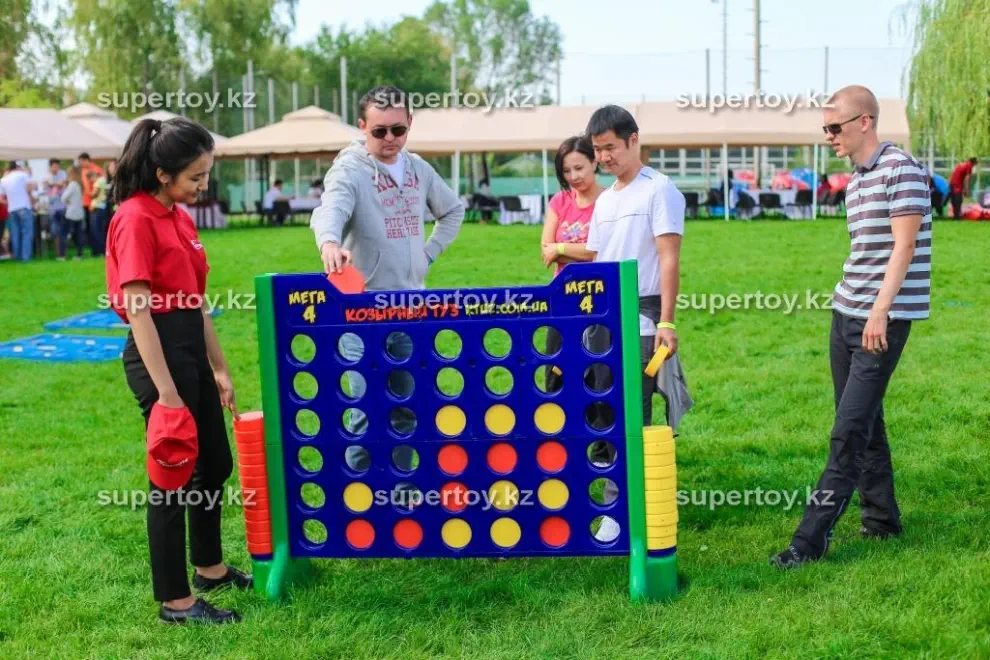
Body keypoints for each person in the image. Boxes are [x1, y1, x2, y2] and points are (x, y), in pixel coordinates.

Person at [771, 85, 931, 569]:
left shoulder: (901, 170)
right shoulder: (857, 182)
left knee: (847, 431)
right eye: (824, 128)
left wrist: (880, 311)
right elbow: (865, 253)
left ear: (865, 121)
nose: (829, 136)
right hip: (845, 314)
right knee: (864, 421)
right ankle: (882, 521)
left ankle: (808, 541)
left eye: (834, 127)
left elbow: (904, 247)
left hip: (881, 319)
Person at [105, 117, 251, 623]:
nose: (203, 184)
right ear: (163, 173)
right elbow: (139, 311)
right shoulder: (135, 218)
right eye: (195, 176)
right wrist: (167, 393)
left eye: (206, 174)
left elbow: (196, 301)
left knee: (215, 463)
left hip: (189, 347)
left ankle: (209, 567)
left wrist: (220, 369)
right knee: (173, 477)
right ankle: (176, 600)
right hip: (158, 355)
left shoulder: (179, 217)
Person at [311, 84, 464, 440]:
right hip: (362, 310)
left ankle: (405, 476)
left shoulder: (418, 168)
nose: (391, 138)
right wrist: (329, 242)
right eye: (380, 131)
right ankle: (359, 476)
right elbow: (330, 209)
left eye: (399, 129)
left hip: (411, 306)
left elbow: (453, 210)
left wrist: (428, 254)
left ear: (410, 122)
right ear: (362, 126)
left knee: (408, 410)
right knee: (364, 413)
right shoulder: (348, 170)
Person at [583, 105, 685, 426]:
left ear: (634, 140)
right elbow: (597, 260)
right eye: (597, 149)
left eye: (610, 147)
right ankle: (606, 458)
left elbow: (669, 258)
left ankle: (635, 462)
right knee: (601, 401)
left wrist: (666, 322)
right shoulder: (604, 199)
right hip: (603, 316)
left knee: (634, 404)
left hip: (642, 318)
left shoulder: (659, 188)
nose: (603, 156)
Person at [541, 136, 601, 276]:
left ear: (594, 163)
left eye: (578, 168)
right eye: (566, 171)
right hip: (563, 284)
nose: (573, 177)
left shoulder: (609, 200)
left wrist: (560, 249)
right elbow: (547, 250)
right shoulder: (559, 201)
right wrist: (585, 253)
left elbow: (603, 251)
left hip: (600, 283)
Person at [0, 160, 38, 262]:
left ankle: (17, 256)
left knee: (15, 233)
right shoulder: (23, 175)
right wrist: (33, 202)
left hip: (11, 209)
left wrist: (9, 202)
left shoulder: (3, 179)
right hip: (24, 207)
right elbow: (29, 189)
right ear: (18, 167)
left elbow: (1, 198)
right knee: (26, 233)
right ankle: (25, 257)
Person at [78, 152, 105, 255]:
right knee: (90, 228)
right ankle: (94, 249)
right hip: (86, 202)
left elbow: (99, 187)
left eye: (82, 161)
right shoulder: (83, 170)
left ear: (87, 160)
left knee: (96, 228)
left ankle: (99, 250)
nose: (81, 164)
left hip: (95, 203)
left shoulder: (97, 170)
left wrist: (91, 195)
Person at [60, 166, 86, 260]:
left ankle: (63, 255)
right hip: (79, 213)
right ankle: (79, 254)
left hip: (71, 213)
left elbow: (63, 198)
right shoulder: (80, 184)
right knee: (78, 235)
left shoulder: (72, 184)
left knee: (65, 234)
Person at [45, 159, 69, 260]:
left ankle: (64, 254)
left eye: (57, 166)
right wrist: (56, 184)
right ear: (50, 167)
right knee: (55, 232)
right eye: (54, 166)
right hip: (52, 209)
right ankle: (58, 254)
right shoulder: (46, 176)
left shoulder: (62, 174)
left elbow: (63, 184)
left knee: (63, 232)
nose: (56, 168)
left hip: (63, 207)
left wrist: (52, 184)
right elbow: (46, 188)